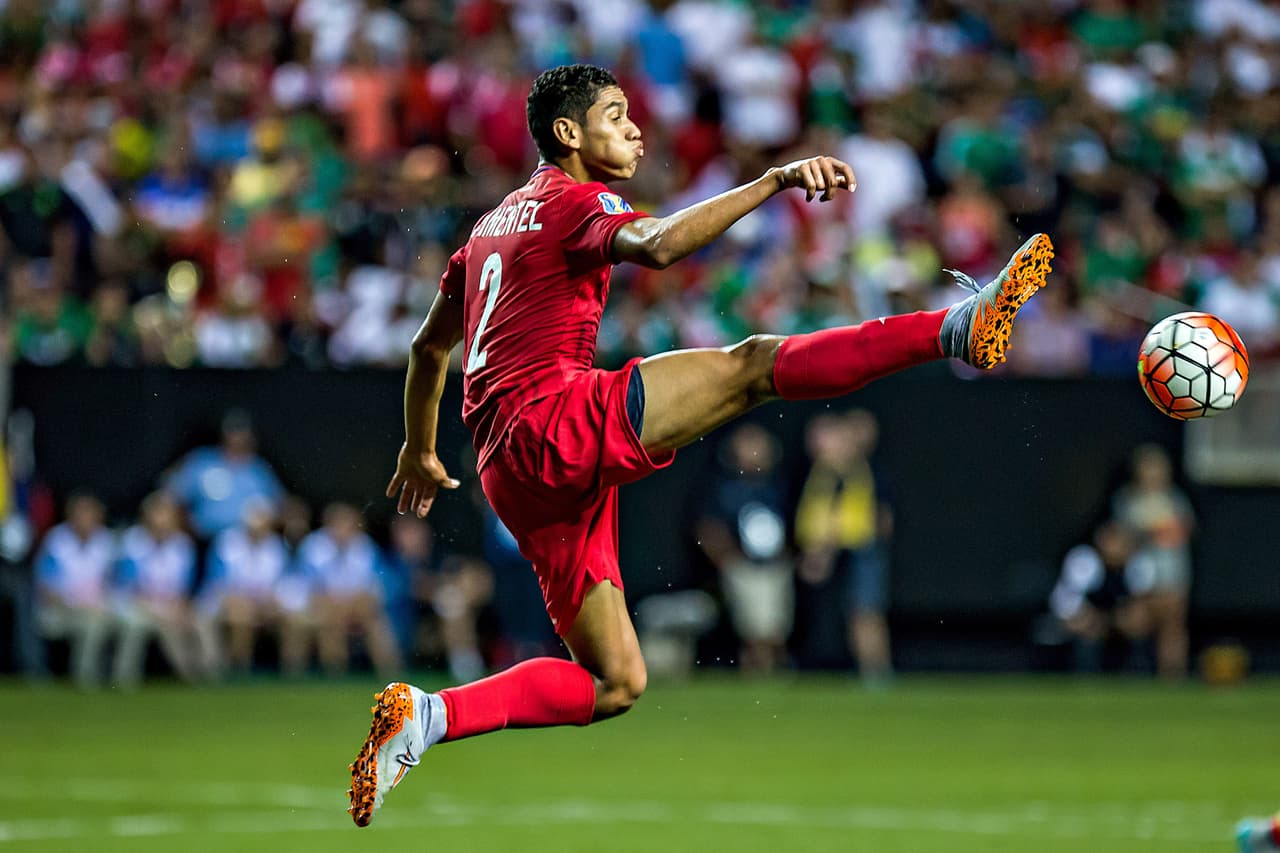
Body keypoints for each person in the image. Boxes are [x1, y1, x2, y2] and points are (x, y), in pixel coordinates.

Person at [350, 63, 1055, 826]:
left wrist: (420, 449)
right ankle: (956, 328)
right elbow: (654, 245)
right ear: (568, 134)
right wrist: (772, 181)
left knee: (615, 682)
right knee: (753, 365)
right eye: (615, 116)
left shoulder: (488, 227)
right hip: (553, 422)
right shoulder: (576, 198)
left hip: (508, 469)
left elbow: (428, 350)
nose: (634, 129)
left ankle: (426, 716)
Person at [793, 410, 894, 683]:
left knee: (865, 611)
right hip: (834, 548)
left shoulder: (855, 470)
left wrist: (821, 551)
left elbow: (849, 517)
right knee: (850, 613)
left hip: (857, 547)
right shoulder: (820, 472)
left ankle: (876, 673)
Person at [694, 422, 793, 674]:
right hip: (743, 566)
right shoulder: (723, 488)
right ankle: (754, 678)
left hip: (774, 567)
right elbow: (707, 528)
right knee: (753, 630)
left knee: (776, 629)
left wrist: (789, 555)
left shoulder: (778, 485)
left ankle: (773, 678)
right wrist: (727, 559)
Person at [1112, 444, 1194, 679]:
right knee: (1135, 622)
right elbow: (1122, 538)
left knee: (1173, 627)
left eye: (1157, 469)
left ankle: (1172, 676)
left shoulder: (1175, 500)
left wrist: (1159, 529)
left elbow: (1182, 531)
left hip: (1172, 574)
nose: (1153, 475)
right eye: (1148, 469)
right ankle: (1132, 672)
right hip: (1140, 577)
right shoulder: (1127, 500)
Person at [296, 502, 402, 678]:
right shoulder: (313, 546)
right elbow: (306, 586)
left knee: (376, 620)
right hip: (323, 607)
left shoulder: (365, 547)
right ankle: (336, 674)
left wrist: (354, 603)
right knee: (329, 619)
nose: (343, 529)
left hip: (356, 607)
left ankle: (392, 676)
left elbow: (377, 585)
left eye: (348, 524)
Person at [112, 491, 204, 686]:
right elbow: (127, 587)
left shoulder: (182, 545)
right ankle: (124, 678)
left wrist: (178, 608)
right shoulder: (132, 542)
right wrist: (158, 610)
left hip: (169, 605)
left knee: (200, 621)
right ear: (147, 517)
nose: (162, 521)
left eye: (167, 516)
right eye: (158, 514)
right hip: (133, 604)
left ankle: (211, 672)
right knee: (140, 624)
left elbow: (184, 588)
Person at [33, 491, 116, 688]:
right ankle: (84, 676)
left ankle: (120, 678)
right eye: (80, 513)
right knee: (93, 622)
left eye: (89, 513)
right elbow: (47, 588)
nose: (85, 519)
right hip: (60, 610)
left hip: (98, 607)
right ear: (70, 516)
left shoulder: (106, 542)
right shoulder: (56, 541)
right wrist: (77, 602)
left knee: (124, 620)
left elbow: (115, 582)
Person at [1047, 519, 1152, 673]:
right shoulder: (1084, 558)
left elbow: (1140, 600)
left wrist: (1122, 617)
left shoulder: (1136, 562)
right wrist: (1096, 618)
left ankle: (1137, 674)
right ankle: (1085, 676)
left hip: (1115, 615)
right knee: (1089, 625)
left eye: (1121, 541)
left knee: (1137, 619)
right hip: (1076, 615)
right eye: (1112, 540)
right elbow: (1072, 603)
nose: (1116, 546)